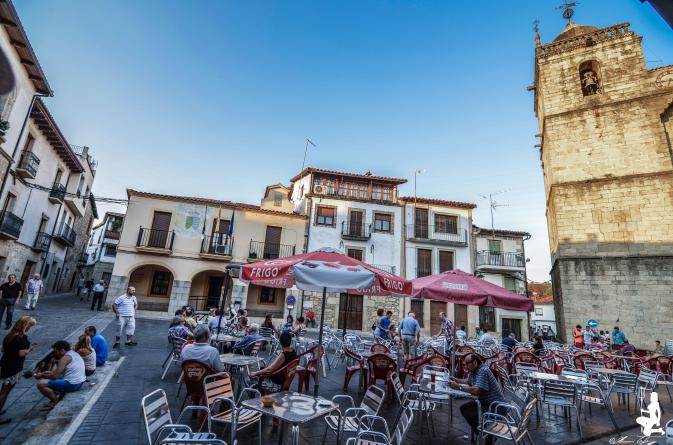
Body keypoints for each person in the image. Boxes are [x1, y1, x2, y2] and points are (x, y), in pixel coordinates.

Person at [450, 353, 505, 445]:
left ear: (475, 362)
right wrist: (456, 380)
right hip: (487, 403)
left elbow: (477, 390)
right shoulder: (475, 370)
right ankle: (484, 433)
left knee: (469, 412)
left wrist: (458, 387)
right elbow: (468, 381)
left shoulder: (483, 371)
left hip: (496, 407)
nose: (465, 366)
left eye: (467, 363)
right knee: (464, 408)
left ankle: (488, 434)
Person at [0, 316, 35, 424]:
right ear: (26, 326)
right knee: (5, 391)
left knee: (4, 389)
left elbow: (2, 349)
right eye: (30, 326)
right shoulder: (22, 337)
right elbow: (21, 353)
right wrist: (29, 349)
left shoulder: (10, 335)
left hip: (5, 363)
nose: (30, 328)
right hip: (13, 366)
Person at [36, 340, 86, 410]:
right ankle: (57, 394)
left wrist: (41, 375)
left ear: (62, 350)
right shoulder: (73, 353)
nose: (55, 354)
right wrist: (48, 373)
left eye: (56, 351)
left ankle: (54, 400)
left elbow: (54, 376)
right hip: (79, 382)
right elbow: (58, 372)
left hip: (72, 384)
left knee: (40, 383)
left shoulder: (64, 359)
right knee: (48, 378)